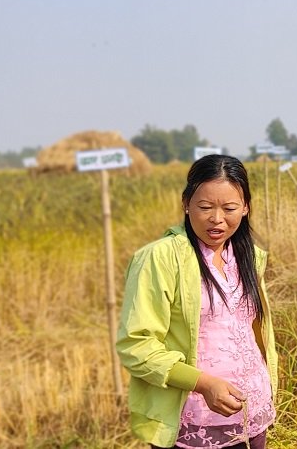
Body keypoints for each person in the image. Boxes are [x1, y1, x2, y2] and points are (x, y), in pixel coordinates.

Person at [116, 155, 277, 449]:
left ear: (245, 208)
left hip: (252, 413)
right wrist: (203, 384)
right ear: (186, 203)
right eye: (205, 207)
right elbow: (136, 344)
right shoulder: (160, 258)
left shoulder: (249, 256)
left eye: (229, 208)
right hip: (194, 419)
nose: (217, 219)